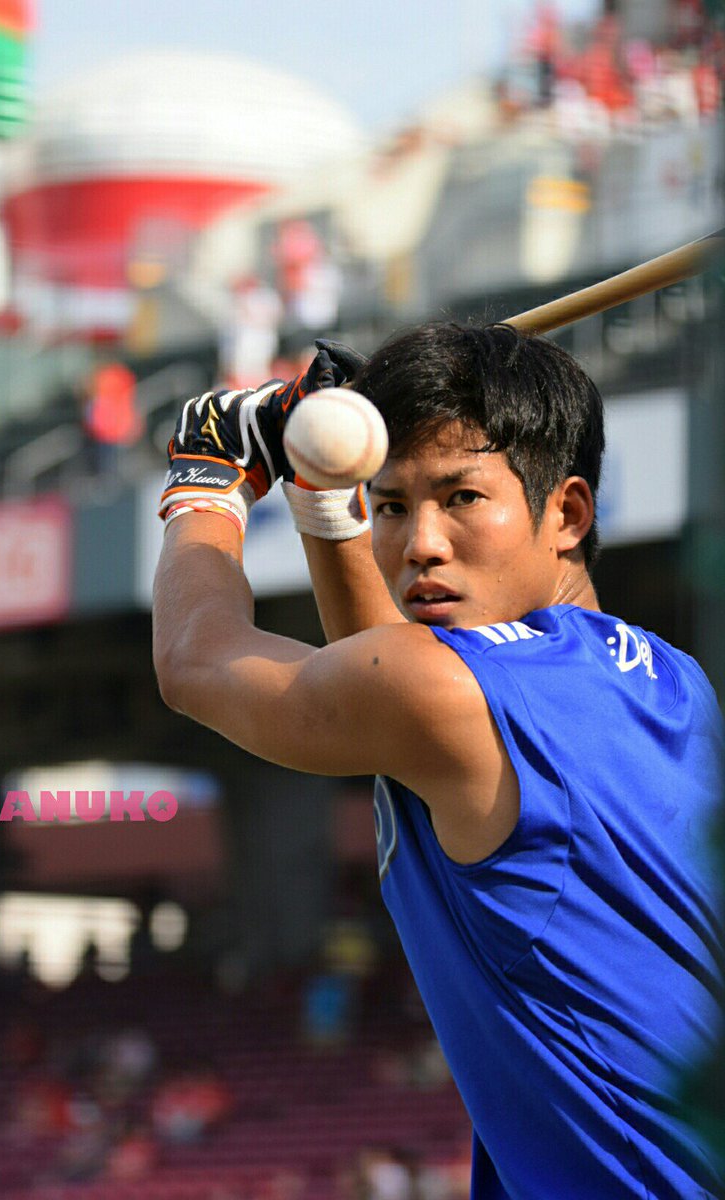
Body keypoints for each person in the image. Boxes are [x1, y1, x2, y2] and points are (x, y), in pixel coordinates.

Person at [152, 323, 723, 1199]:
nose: (420, 543)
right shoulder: (674, 684)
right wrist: (318, 487)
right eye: (389, 506)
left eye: (461, 497)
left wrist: (207, 476)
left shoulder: (442, 696)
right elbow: (390, 680)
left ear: (566, 513)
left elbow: (195, 660)